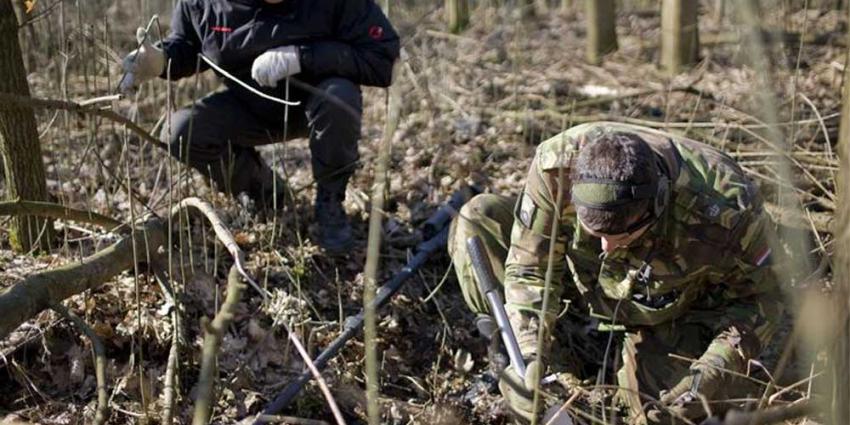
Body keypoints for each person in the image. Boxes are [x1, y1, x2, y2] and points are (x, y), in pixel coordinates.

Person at [448, 122, 784, 423]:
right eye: (596, 235)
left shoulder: (727, 207)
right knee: (478, 219)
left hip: (667, 311)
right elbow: (529, 269)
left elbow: (762, 299)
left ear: (657, 205)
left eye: (621, 237)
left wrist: (714, 370)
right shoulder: (557, 166)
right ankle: (548, 363)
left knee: (662, 411)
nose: (607, 248)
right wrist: (528, 350)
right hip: (577, 283)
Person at [119, 0, 400, 253]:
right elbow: (189, 46)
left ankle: (330, 201)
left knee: (340, 96)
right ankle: (263, 192)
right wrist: (160, 61)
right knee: (179, 131)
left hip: (317, 104)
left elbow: (383, 59)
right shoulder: (203, 3)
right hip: (248, 106)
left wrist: (302, 56)